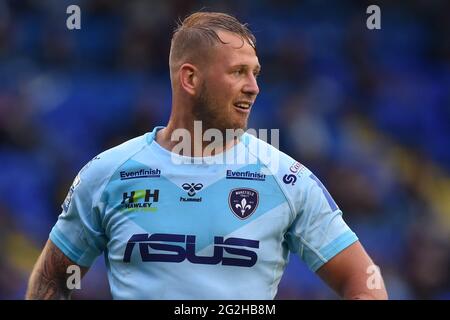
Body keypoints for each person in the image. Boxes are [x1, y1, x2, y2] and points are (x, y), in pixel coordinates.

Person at [26, 12, 388, 300]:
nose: (254, 86)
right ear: (190, 79)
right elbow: (51, 280)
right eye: (238, 72)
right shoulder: (107, 174)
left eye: (256, 73)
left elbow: (362, 279)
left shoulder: (285, 178)